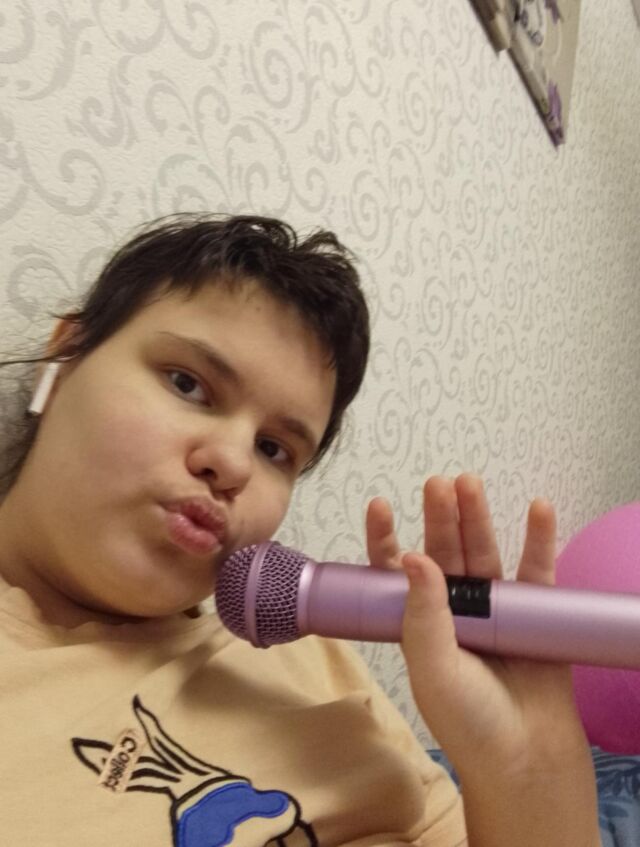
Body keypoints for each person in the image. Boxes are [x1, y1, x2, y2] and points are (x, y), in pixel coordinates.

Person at [0, 214, 599, 846]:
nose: (232, 463)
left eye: (274, 449)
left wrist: (524, 771)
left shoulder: (304, 652)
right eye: (188, 384)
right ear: (64, 356)